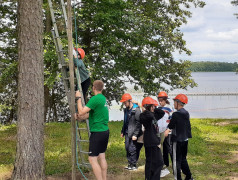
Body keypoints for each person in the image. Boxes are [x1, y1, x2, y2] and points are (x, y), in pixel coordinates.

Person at [76, 80, 109, 180]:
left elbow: (81, 111)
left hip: (97, 133)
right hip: (105, 131)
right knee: (102, 156)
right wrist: (79, 117)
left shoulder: (95, 99)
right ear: (102, 88)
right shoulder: (103, 98)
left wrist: (78, 98)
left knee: (92, 159)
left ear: (93, 88)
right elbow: (90, 114)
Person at [164, 94, 193, 180]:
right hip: (185, 139)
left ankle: (177, 178)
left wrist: (167, 130)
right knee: (183, 159)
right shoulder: (186, 113)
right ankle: (189, 177)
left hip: (177, 141)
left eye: (174, 102)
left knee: (176, 161)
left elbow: (171, 125)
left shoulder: (176, 114)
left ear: (178, 103)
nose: (173, 104)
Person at [139, 97, 165, 180]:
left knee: (158, 162)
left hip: (155, 141)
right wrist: (146, 108)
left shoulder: (153, 114)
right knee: (152, 162)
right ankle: (149, 178)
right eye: (152, 106)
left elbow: (162, 113)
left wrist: (154, 106)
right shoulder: (143, 115)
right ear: (148, 106)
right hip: (150, 141)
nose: (154, 108)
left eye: (154, 106)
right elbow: (149, 116)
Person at [120, 93, 143, 170]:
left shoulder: (136, 110)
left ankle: (134, 165)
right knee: (127, 148)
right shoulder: (126, 110)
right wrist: (122, 131)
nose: (124, 104)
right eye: (123, 103)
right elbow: (125, 121)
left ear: (130, 101)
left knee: (132, 149)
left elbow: (139, 123)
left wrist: (135, 134)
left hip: (134, 133)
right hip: (127, 132)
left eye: (125, 102)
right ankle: (129, 164)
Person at [157, 91, 173, 177]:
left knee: (169, 148)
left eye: (161, 100)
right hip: (160, 131)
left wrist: (168, 130)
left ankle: (175, 165)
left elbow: (172, 120)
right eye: (159, 100)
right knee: (162, 149)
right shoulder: (158, 108)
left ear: (165, 100)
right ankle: (165, 164)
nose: (160, 102)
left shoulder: (169, 108)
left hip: (168, 132)